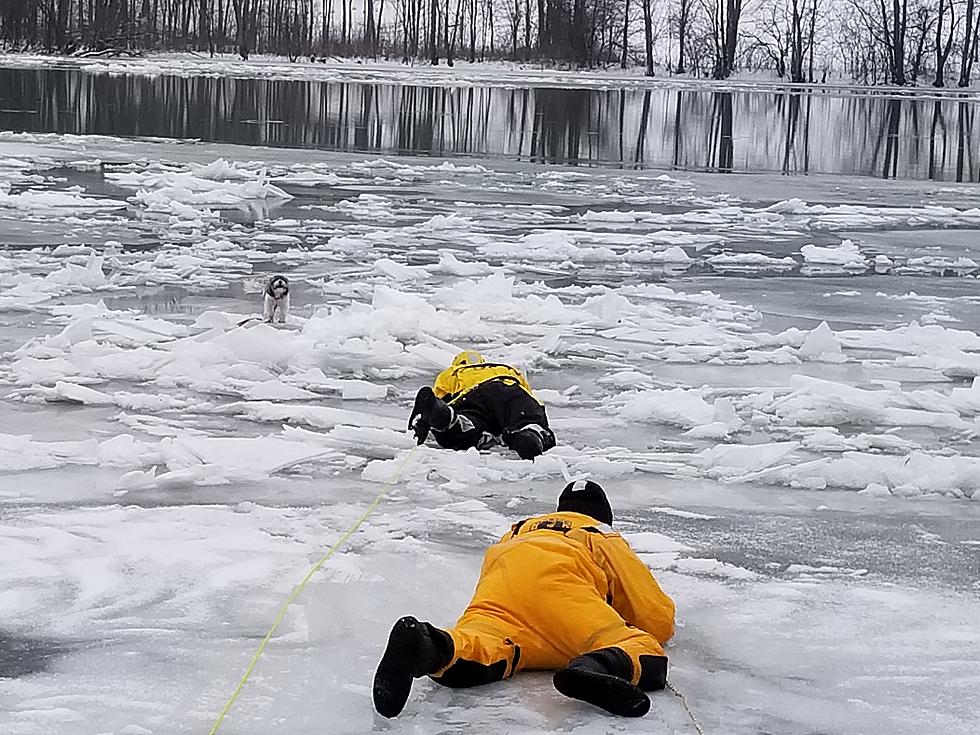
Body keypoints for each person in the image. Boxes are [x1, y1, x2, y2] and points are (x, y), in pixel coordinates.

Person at [373, 480, 675, 719]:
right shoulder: (597, 533)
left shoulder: (518, 531)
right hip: (566, 603)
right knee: (641, 648)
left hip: (500, 600)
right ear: (603, 516)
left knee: (480, 645)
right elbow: (653, 617)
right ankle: (592, 669)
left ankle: (429, 646)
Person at [408, 350, 556, 460]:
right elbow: (527, 396)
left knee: (465, 426)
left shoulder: (453, 372)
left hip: (474, 396)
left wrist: (432, 417)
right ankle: (528, 433)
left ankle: (450, 420)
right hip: (511, 389)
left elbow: (444, 400)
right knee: (526, 420)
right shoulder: (507, 369)